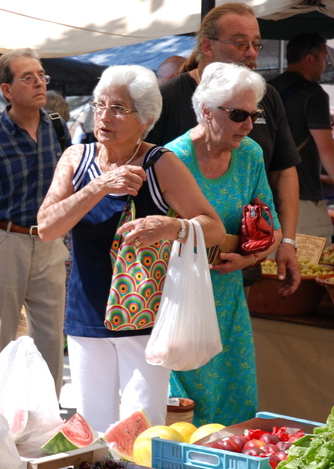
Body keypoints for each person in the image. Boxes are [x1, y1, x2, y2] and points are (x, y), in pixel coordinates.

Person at [37, 65, 225, 431]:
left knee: (141, 428)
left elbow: (213, 228)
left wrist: (173, 226)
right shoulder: (76, 159)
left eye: (118, 108)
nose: (104, 116)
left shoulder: (160, 164)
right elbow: (46, 226)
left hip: (144, 320)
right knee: (93, 427)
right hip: (84, 316)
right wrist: (100, 186)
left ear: (146, 120)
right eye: (99, 105)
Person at [147, 3, 301, 296]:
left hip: (243, 267)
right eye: (241, 43)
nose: (252, 53)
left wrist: (287, 242)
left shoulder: (266, 97)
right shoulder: (166, 98)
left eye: (256, 44)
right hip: (177, 277)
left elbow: (284, 171)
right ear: (207, 45)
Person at [166, 62, 283, 426]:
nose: (248, 125)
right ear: (206, 111)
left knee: (235, 407)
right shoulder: (172, 159)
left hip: (229, 299)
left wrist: (248, 261)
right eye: (237, 115)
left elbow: (273, 230)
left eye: (254, 114)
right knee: (182, 412)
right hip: (177, 301)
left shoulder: (250, 155)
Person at [0, 48, 71, 396]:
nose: (39, 82)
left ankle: (48, 416)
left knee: (51, 337)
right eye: (28, 77)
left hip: (49, 241)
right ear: (7, 90)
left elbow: (67, 183)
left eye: (41, 75)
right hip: (3, 241)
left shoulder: (56, 127)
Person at [269, 33, 334, 239]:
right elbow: (326, 148)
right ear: (309, 58)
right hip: (302, 195)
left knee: (272, 266)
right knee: (312, 264)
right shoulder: (314, 95)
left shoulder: (266, 90)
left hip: (266, 193)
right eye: (325, 57)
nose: (326, 64)